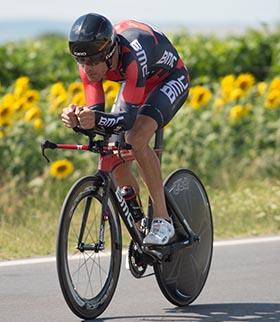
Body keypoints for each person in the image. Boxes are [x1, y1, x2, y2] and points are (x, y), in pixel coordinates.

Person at [60, 13, 189, 245]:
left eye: (94, 61)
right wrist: (78, 119)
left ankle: (163, 219)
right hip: (135, 84)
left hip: (168, 80)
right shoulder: (87, 63)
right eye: (82, 62)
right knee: (112, 153)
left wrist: (95, 118)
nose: (88, 69)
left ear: (109, 53)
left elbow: (126, 120)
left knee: (135, 138)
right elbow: (97, 117)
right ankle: (141, 226)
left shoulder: (132, 54)